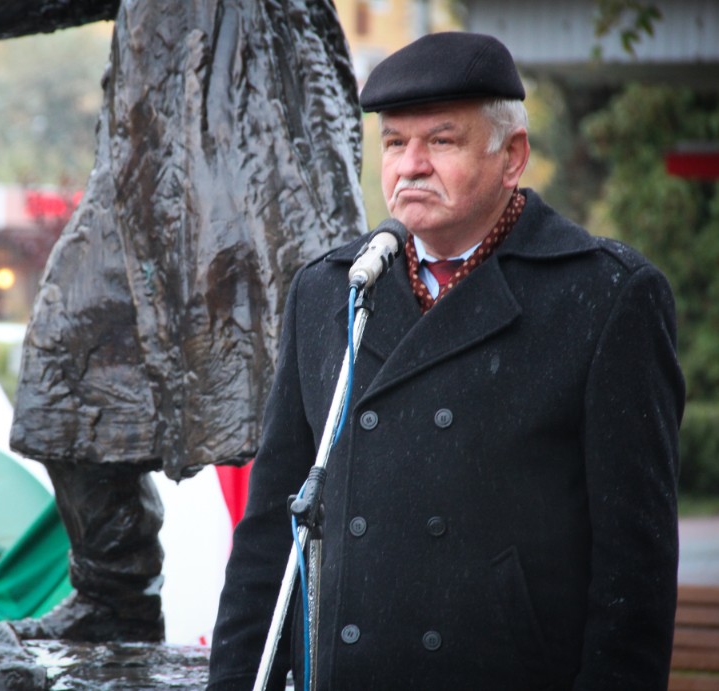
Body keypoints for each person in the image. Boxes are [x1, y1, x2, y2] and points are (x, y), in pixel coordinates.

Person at [0, 0, 367, 641]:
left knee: (308, 380)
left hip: (256, 126)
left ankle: (331, 611)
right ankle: (114, 596)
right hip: (148, 150)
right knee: (63, 369)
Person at [208, 31, 685, 690]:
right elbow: (269, 533)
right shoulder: (330, 291)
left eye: (440, 141)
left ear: (511, 156)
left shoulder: (605, 295)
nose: (411, 165)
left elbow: (633, 570)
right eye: (393, 143)